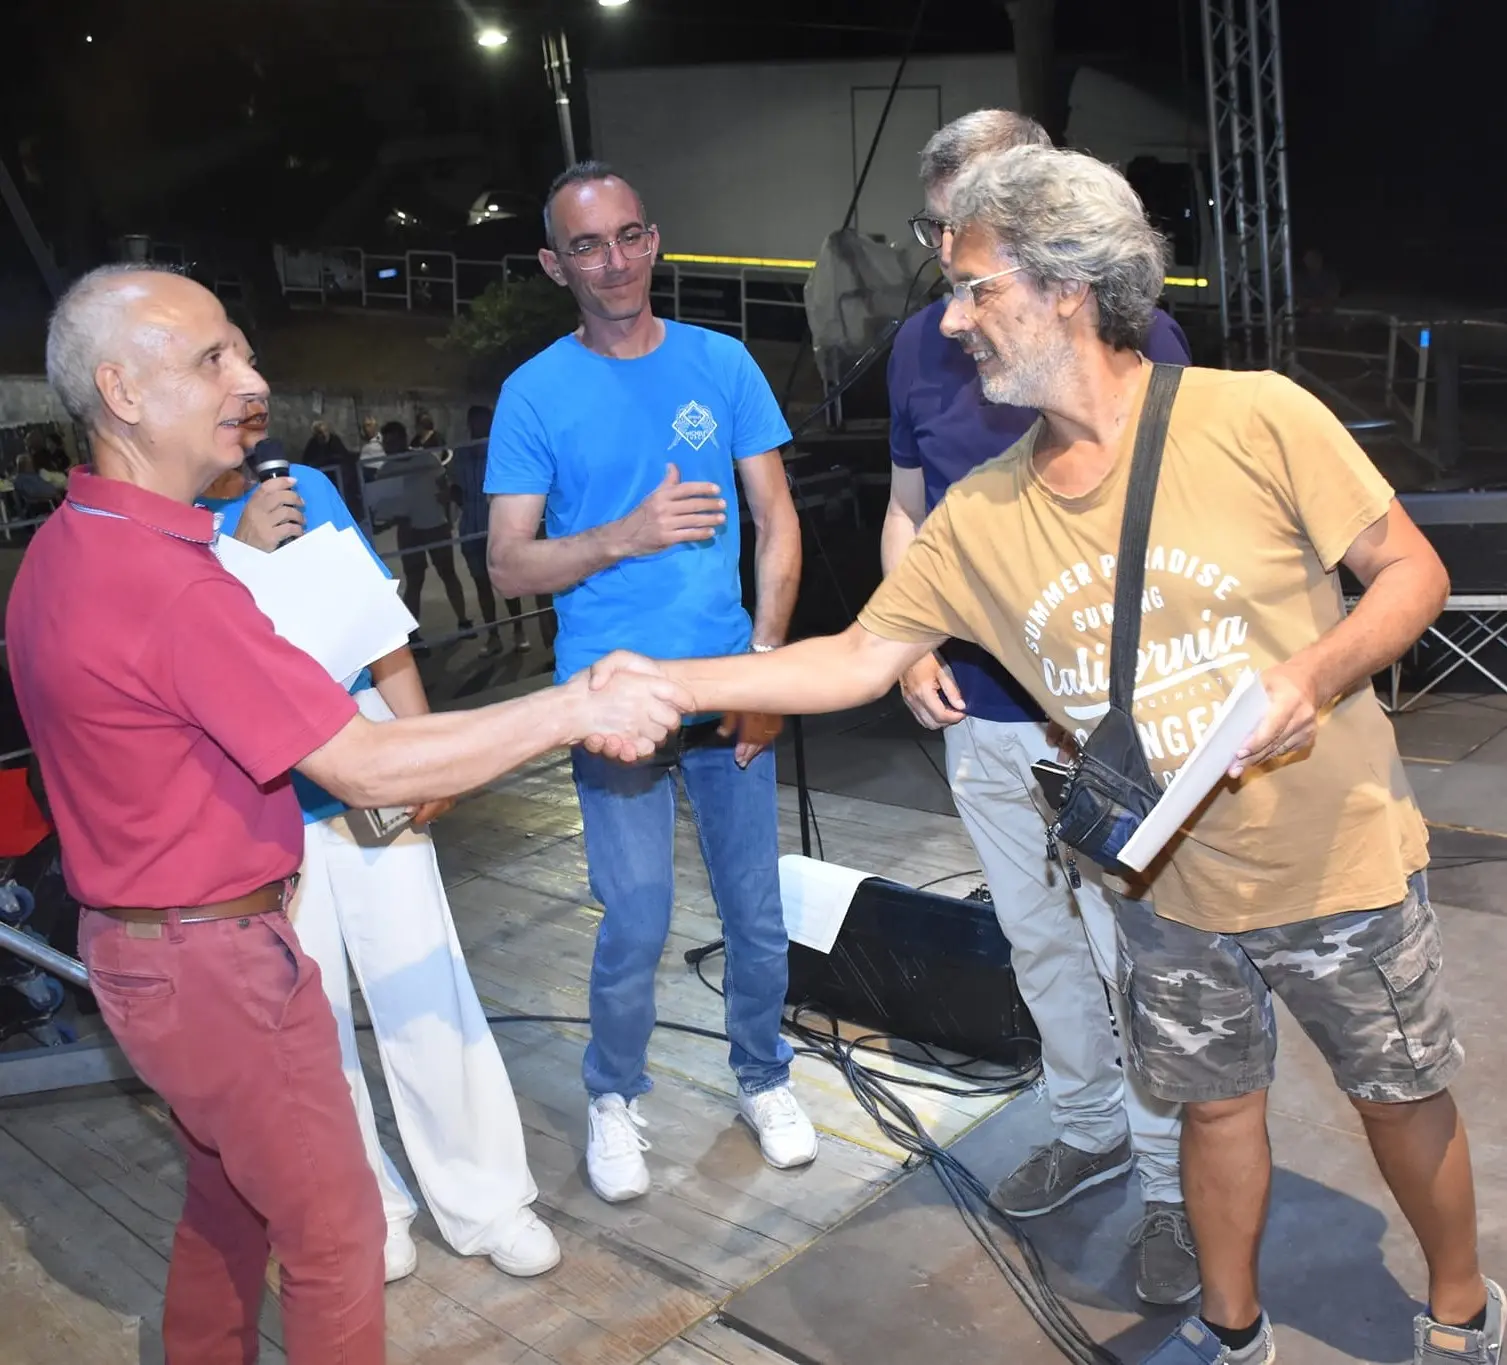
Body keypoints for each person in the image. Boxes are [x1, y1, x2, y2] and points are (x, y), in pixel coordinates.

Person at [589, 145, 1502, 1365]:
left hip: (1333, 859)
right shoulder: (984, 512)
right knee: (1214, 1110)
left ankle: (1461, 1312)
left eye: (976, 288)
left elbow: (1410, 574)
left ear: (1068, 286)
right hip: (1165, 883)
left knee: (1395, 1098)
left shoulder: (1255, 416)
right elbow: (853, 660)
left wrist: (1313, 674)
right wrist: (674, 682)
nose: (951, 319)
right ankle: (1233, 1332)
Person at [4, 264, 689, 1363]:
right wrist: (573, 707)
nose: (250, 379)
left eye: (243, 350)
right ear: (121, 392)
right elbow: (362, 765)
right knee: (335, 1238)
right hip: (215, 965)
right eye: (213, 359)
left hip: (142, 952)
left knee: (227, 1203)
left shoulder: (66, 545)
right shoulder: (167, 582)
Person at [886, 109, 1196, 1304]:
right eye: (938, 227)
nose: (950, 255)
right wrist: (910, 638)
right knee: (1036, 937)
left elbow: (1174, 518)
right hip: (979, 708)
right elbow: (908, 506)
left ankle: (1174, 1186)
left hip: (1107, 723)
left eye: (976, 225)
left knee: (1138, 953)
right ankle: (1088, 1127)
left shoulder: (1136, 333)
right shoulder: (923, 342)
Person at [485, 161, 816, 1203]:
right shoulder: (534, 392)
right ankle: (614, 1094)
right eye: (587, 245)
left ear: (654, 239)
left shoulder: (721, 363)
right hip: (610, 702)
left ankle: (763, 1075)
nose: (613, 260)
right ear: (556, 265)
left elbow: (778, 521)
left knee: (755, 914)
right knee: (634, 916)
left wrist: (766, 668)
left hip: (725, 686)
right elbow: (508, 565)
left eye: (628, 236)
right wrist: (620, 537)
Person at [199, 404, 561, 1284]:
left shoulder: (301, 486)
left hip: (361, 751)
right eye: (213, 368)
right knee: (308, 1014)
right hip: (255, 789)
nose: (240, 396)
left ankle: (486, 1199)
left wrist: (424, 749)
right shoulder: (164, 527)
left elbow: (380, 632)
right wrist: (238, 553)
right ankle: (368, 1205)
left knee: (423, 979)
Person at [378, 418, 472, 648]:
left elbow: (444, 488)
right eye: (386, 443)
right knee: (414, 580)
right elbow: (384, 506)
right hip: (408, 530)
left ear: (403, 439)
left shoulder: (426, 458)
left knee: (448, 573)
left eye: (393, 442)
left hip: (435, 524)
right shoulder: (386, 470)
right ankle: (413, 634)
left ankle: (463, 621)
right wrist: (391, 518)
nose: (389, 447)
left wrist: (448, 519)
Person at [450, 403, 530, 656]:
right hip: (471, 525)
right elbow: (455, 487)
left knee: (507, 581)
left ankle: (519, 631)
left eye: (483, 420)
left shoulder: (502, 449)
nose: (479, 426)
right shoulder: (461, 453)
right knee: (481, 583)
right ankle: (493, 635)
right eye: (474, 421)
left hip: (497, 524)